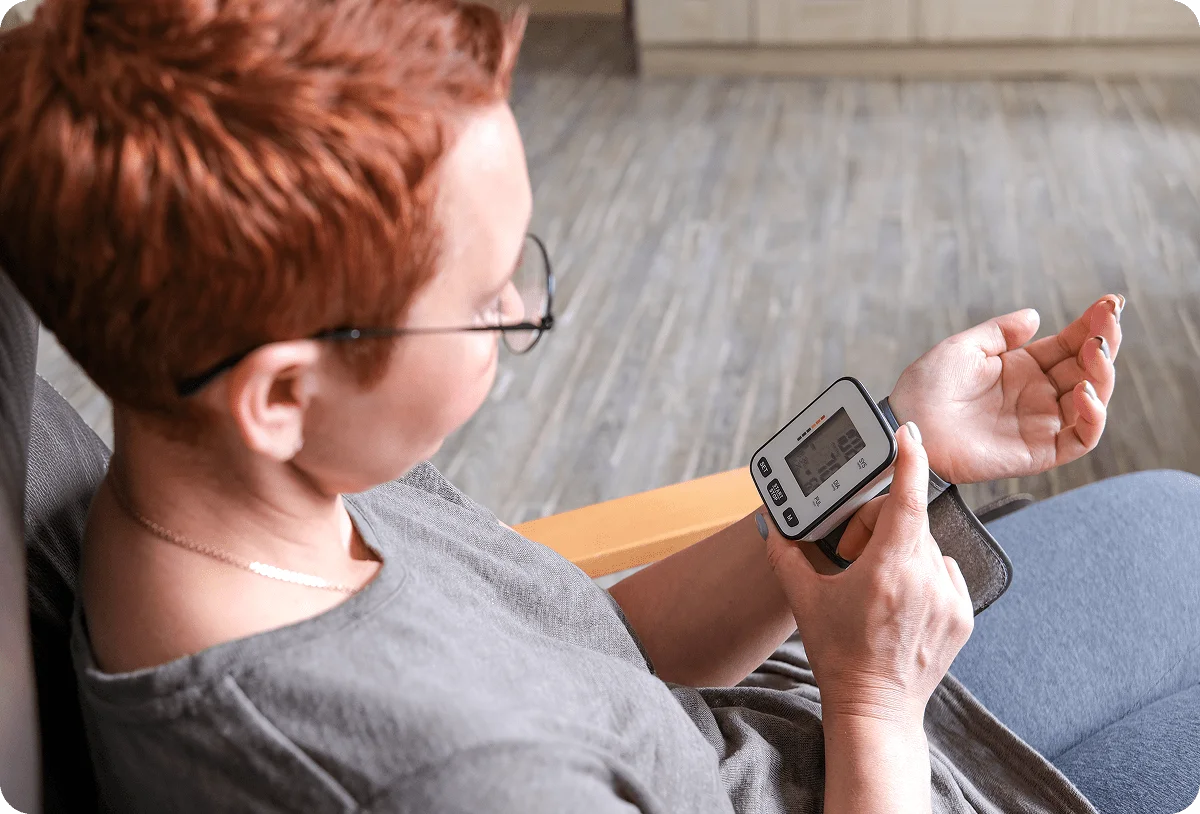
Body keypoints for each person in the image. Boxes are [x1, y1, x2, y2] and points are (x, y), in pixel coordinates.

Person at [1, 1, 1197, 812]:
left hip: (789, 725)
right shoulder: (442, 778)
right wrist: (874, 698)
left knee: (1176, 526)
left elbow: (598, 648)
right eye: (485, 299)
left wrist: (899, 448)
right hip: (862, 750)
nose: (524, 308)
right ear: (282, 390)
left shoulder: (260, 484)